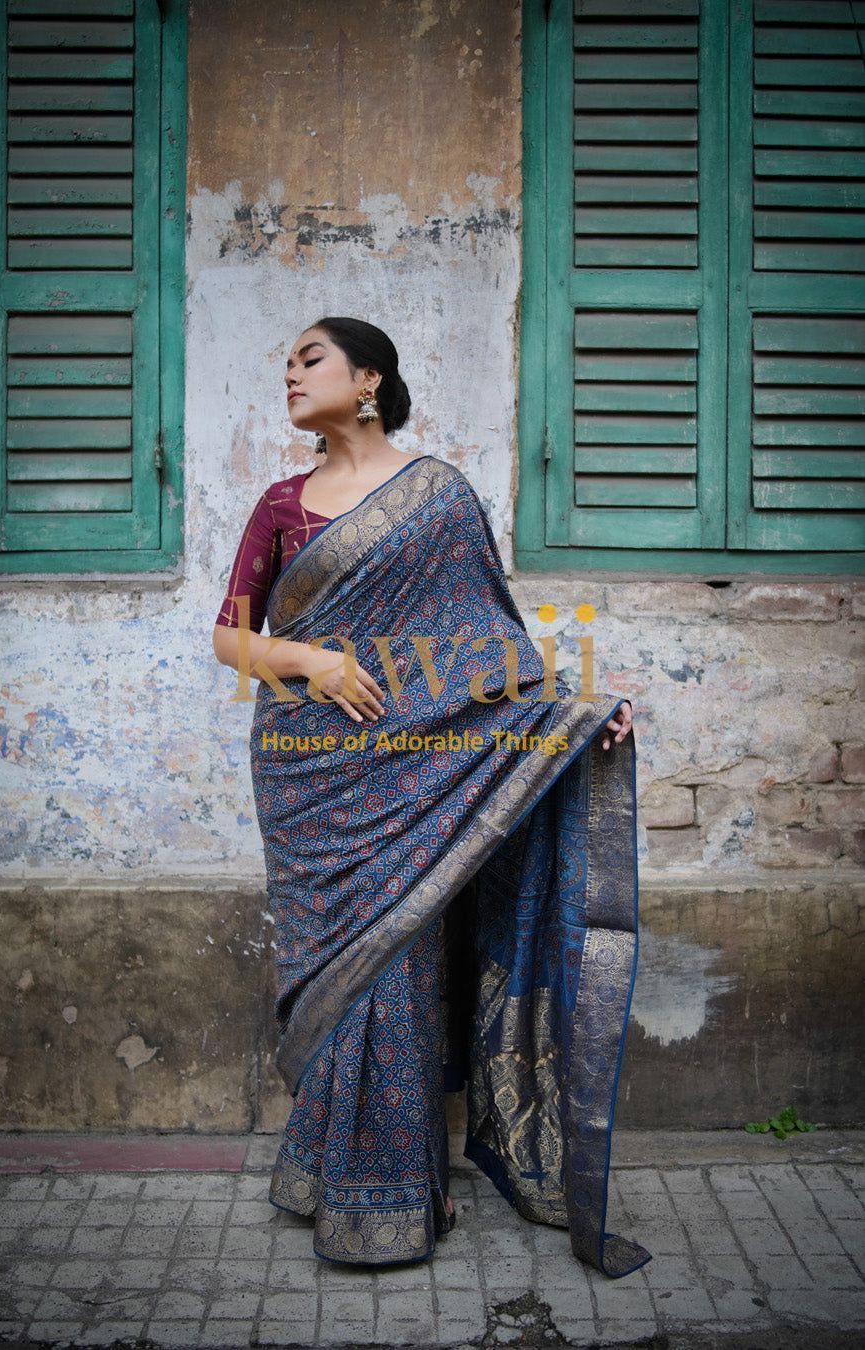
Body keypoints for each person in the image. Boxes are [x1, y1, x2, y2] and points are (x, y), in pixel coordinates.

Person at [212, 316, 650, 1276]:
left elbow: (486, 643)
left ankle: (399, 1187)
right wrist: (312, 661)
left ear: (368, 379)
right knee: (342, 969)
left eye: (308, 358)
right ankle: (335, 1171)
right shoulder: (282, 504)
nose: (288, 372)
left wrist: (575, 723)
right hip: (309, 769)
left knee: (400, 960)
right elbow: (229, 638)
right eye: (284, 360)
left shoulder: (439, 498)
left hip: (418, 765)